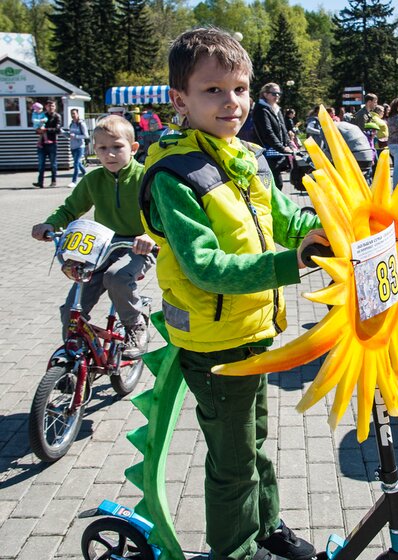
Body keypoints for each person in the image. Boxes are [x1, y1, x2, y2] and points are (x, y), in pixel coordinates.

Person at [139, 28, 325, 559]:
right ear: (181, 100)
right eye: (213, 90)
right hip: (214, 342)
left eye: (240, 89)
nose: (233, 102)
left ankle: (266, 528)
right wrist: (293, 263)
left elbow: (287, 220)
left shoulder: (245, 156)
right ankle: (234, 550)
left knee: (253, 444)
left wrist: (327, 228)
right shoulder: (174, 176)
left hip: (254, 332)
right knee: (232, 460)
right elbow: (207, 268)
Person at [31, 115, 155, 357]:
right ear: (94, 150)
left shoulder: (145, 177)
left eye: (117, 147)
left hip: (138, 246)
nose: (110, 154)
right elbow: (70, 208)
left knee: (116, 277)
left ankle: (135, 325)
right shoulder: (93, 180)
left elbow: (162, 214)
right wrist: (50, 224)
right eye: (102, 148)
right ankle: (74, 358)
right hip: (102, 245)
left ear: (133, 148)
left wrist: (149, 235)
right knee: (72, 307)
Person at [252, 83, 292, 190]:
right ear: (265, 94)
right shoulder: (261, 110)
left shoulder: (276, 108)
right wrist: (282, 147)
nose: (277, 96)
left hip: (275, 152)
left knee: (277, 184)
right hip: (266, 152)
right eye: (274, 93)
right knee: (274, 184)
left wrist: (288, 143)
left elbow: (283, 128)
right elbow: (267, 132)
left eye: (279, 93)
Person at [33, 100, 62, 188]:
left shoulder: (57, 116)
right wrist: (38, 130)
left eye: (52, 106)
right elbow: (37, 129)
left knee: (53, 163)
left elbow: (57, 130)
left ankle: (53, 181)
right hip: (42, 143)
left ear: (55, 107)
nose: (51, 108)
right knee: (41, 164)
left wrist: (46, 130)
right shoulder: (43, 115)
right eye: (49, 106)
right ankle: (40, 182)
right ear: (46, 107)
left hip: (52, 143)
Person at [67, 108, 89, 188]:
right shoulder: (71, 124)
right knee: (78, 163)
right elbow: (70, 134)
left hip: (80, 146)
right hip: (73, 146)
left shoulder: (81, 124)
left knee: (76, 163)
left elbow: (86, 135)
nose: (73, 115)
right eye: (71, 114)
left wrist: (76, 136)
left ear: (77, 114)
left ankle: (74, 181)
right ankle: (85, 174)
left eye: (74, 113)